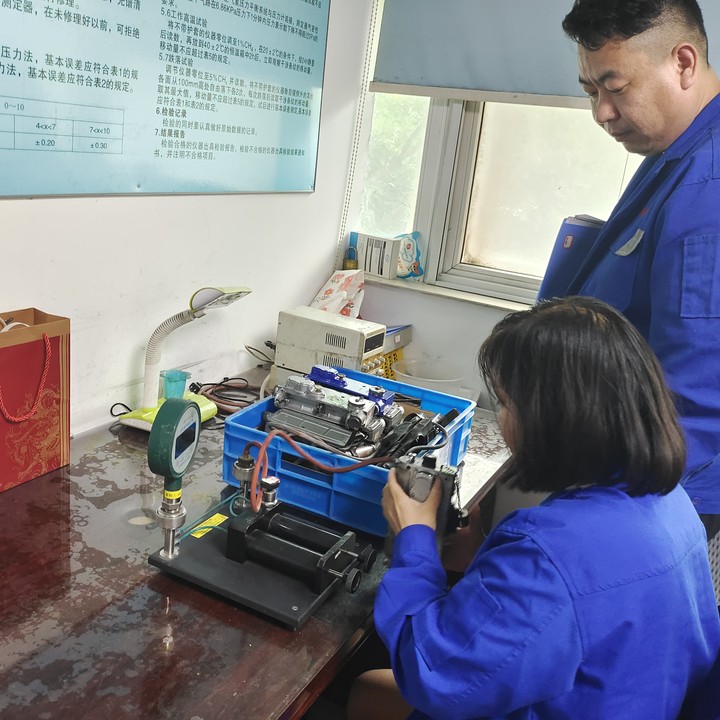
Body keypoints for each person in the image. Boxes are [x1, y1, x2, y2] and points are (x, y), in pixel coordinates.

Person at [347, 297, 720, 720]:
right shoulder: (671, 501)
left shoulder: (548, 555)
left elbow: (430, 672)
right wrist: (483, 556)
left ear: (553, 419)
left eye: (505, 403)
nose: (502, 417)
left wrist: (413, 537)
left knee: (365, 690)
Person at [544, 0, 720, 538]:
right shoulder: (675, 150)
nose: (602, 113)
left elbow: (696, 397)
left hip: (657, 489)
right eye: (589, 91)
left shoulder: (708, 190)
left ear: (683, 63)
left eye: (616, 88)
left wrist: (601, 511)